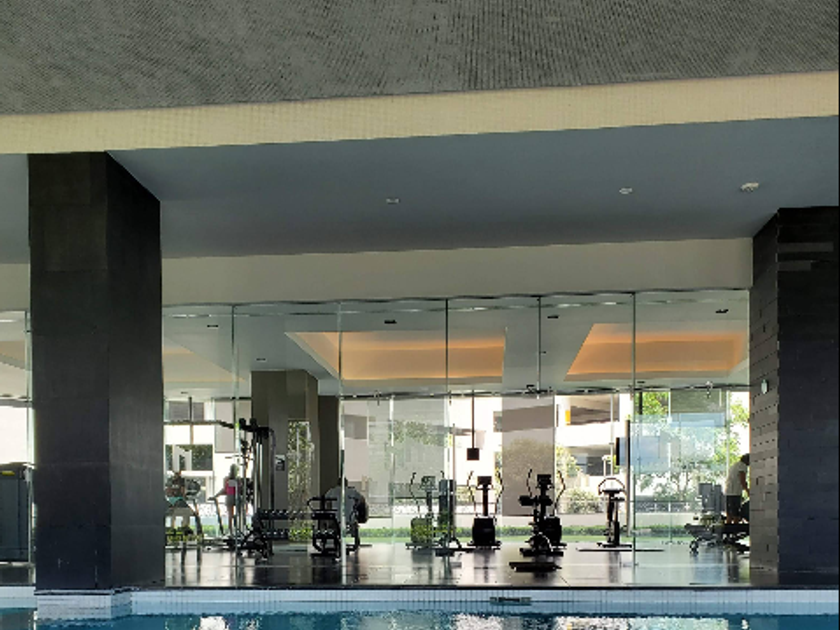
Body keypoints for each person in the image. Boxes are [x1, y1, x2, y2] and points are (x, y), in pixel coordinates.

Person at [325, 478, 368, 551]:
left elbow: (325, 499)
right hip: (349, 517)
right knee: (353, 521)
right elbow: (362, 499)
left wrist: (329, 507)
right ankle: (356, 541)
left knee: (331, 521)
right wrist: (356, 505)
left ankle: (332, 540)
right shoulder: (352, 491)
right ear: (346, 484)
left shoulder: (332, 491)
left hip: (335, 518)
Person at [215, 464, 240, 535]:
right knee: (233, 515)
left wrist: (217, 495)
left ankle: (232, 530)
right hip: (234, 497)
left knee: (231, 515)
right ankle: (233, 530)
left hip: (231, 497)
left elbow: (225, 489)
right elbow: (226, 489)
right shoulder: (237, 480)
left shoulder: (228, 479)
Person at [725, 453, 750, 524]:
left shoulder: (734, 465)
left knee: (729, 515)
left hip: (728, 492)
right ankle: (735, 529)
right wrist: (747, 491)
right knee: (736, 515)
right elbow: (742, 480)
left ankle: (728, 528)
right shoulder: (742, 466)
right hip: (735, 493)